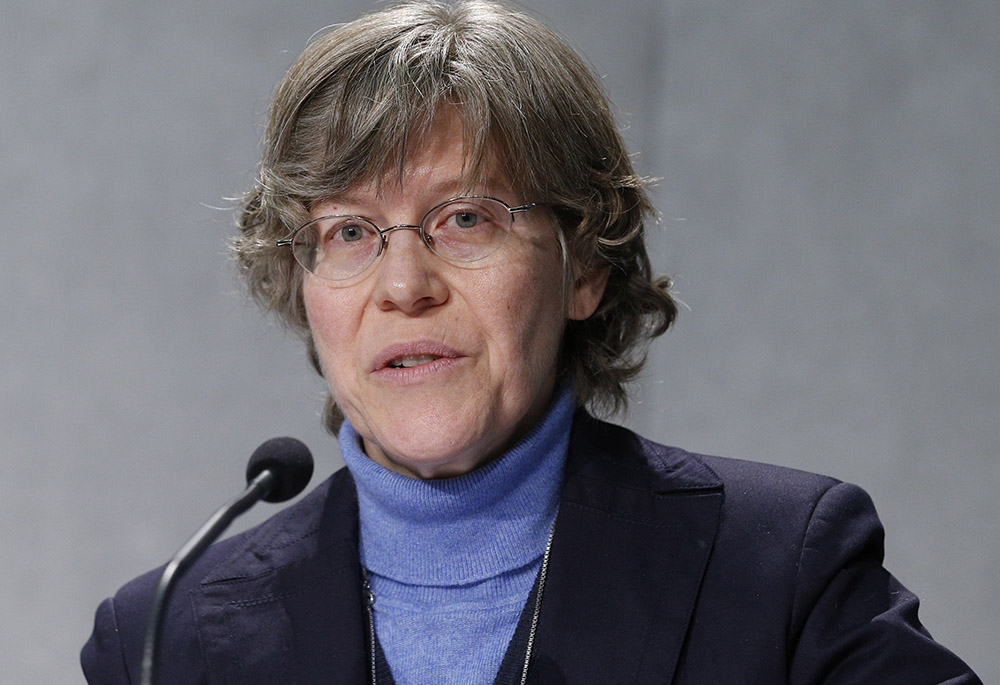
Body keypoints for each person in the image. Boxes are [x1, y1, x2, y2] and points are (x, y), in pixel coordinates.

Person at [81, 1, 981, 683]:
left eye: (464, 217)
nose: (404, 286)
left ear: (585, 263)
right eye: (350, 232)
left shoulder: (781, 571)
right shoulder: (165, 635)